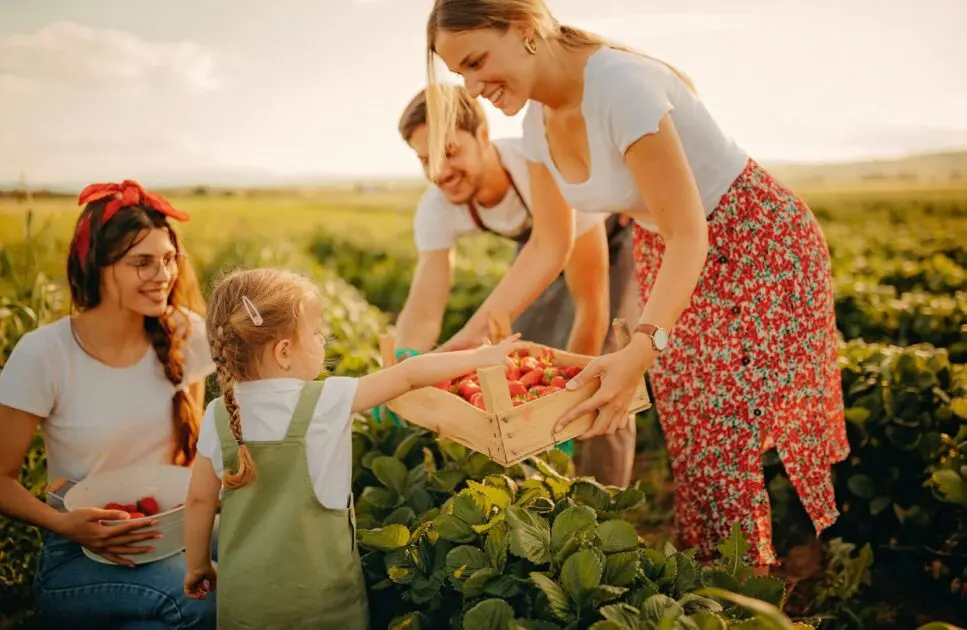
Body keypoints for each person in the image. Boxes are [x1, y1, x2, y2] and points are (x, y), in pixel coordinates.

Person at [423, 0, 849, 568]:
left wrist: (643, 347)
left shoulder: (618, 87)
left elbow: (689, 230)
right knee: (695, 431)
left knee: (725, 425)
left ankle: (783, 568)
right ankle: (727, 575)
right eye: (461, 75)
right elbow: (550, 246)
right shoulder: (534, 122)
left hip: (753, 240)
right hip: (668, 249)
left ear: (524, 28)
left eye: (477, 62)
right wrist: (464, 343)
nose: (473, 88)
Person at [182, 266, 527, 629]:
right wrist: (479, 358)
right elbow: (409, 374)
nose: (322, 341)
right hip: (325, 606)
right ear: (283, 351)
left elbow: (200, 501)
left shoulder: (219, 414)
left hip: (245, 605)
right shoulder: (328, 399)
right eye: (315, 333)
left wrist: (198, 565)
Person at [395, 85, 640, 485]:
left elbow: (592, 308)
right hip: (540, 244)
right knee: (526, 354)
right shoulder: (437, 207)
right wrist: (403, 369)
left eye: (450, 151)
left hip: (611, 237)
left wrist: (570, 401)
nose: (439, 171)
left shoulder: (541, 172)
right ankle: (539, 487)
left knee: (602, 370)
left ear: (484, 137)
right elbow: (424, 306)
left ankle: (603, 498)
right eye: (425, 159)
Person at [0, 180, 217, 626]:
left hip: (170, 526)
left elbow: (192, 455)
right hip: (80, 550)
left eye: (168, 259)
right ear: (97, 266)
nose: (163, 276)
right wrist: (64, 525)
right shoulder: (45, 353)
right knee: (203, 599)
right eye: (143, 263)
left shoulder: (185, 332)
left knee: (263, 567)